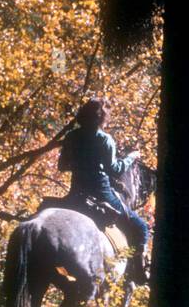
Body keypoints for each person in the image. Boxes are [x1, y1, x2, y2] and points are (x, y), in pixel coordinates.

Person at [57, 98, 149, 279]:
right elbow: (114, 170)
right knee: (141, 227)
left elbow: (62, 166)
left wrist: (80, 164)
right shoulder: (105, 140)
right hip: (101, 193)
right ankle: (139, 272)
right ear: (102, 119)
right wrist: (131, 157)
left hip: (76, 194)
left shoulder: (71, 137)